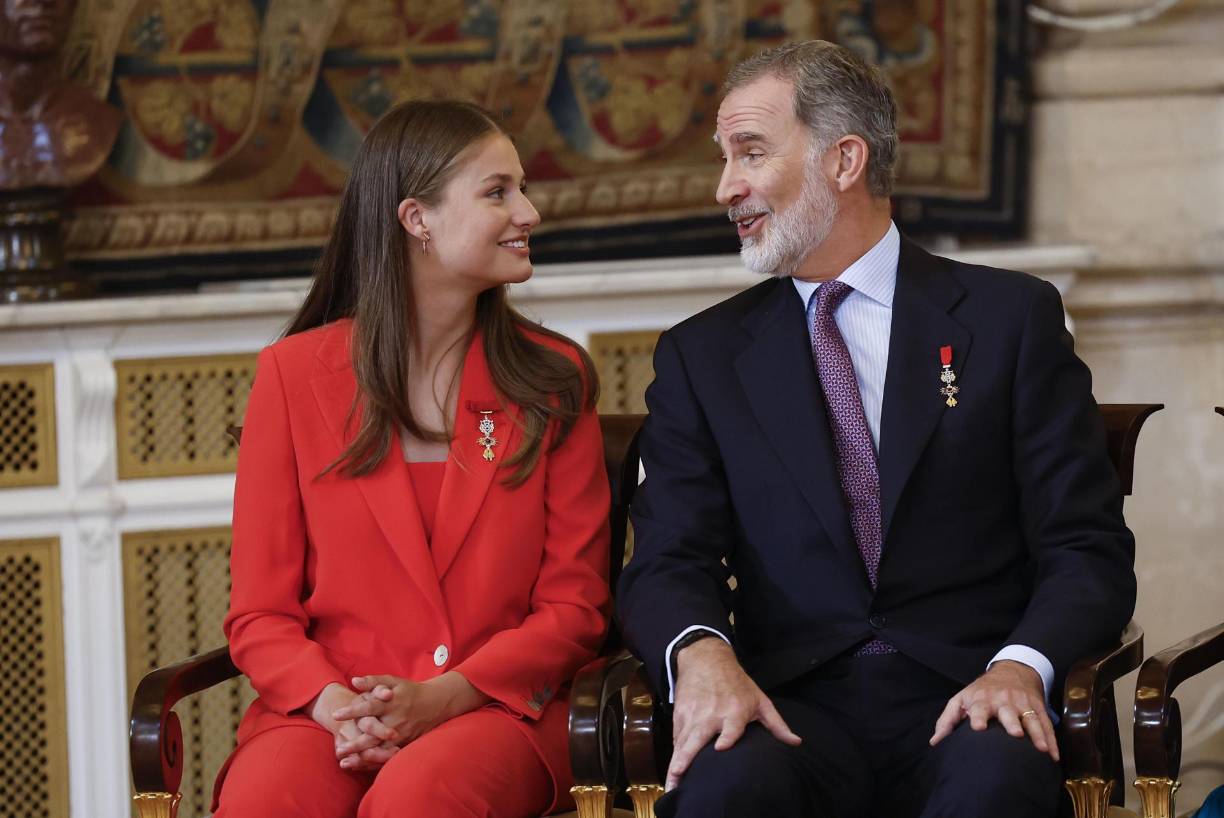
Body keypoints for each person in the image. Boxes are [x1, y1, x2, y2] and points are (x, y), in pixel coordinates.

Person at [616, 40, 1136, 818]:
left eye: (750, 152)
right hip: (789, 706)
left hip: (972, 695)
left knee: (995, 786)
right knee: (721, 791)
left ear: (844, 160)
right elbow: (667, 557)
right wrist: (703, 655)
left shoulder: (1009, 320)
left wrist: (1022, 667)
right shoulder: (703, 355)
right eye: (725, 158)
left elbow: (1084, 547)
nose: (727, 186)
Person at [211, 100, 611, 818]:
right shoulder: (292, 376)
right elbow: (260, 615)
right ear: (416, 219)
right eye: (498, 192)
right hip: (329, 713)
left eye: (521, 188)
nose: (528, 212)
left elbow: (574, 608)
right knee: (267, 798)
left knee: (419, 797)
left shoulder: (555, 379)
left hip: (500, 710)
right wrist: (337, 706)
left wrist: (446, 697)